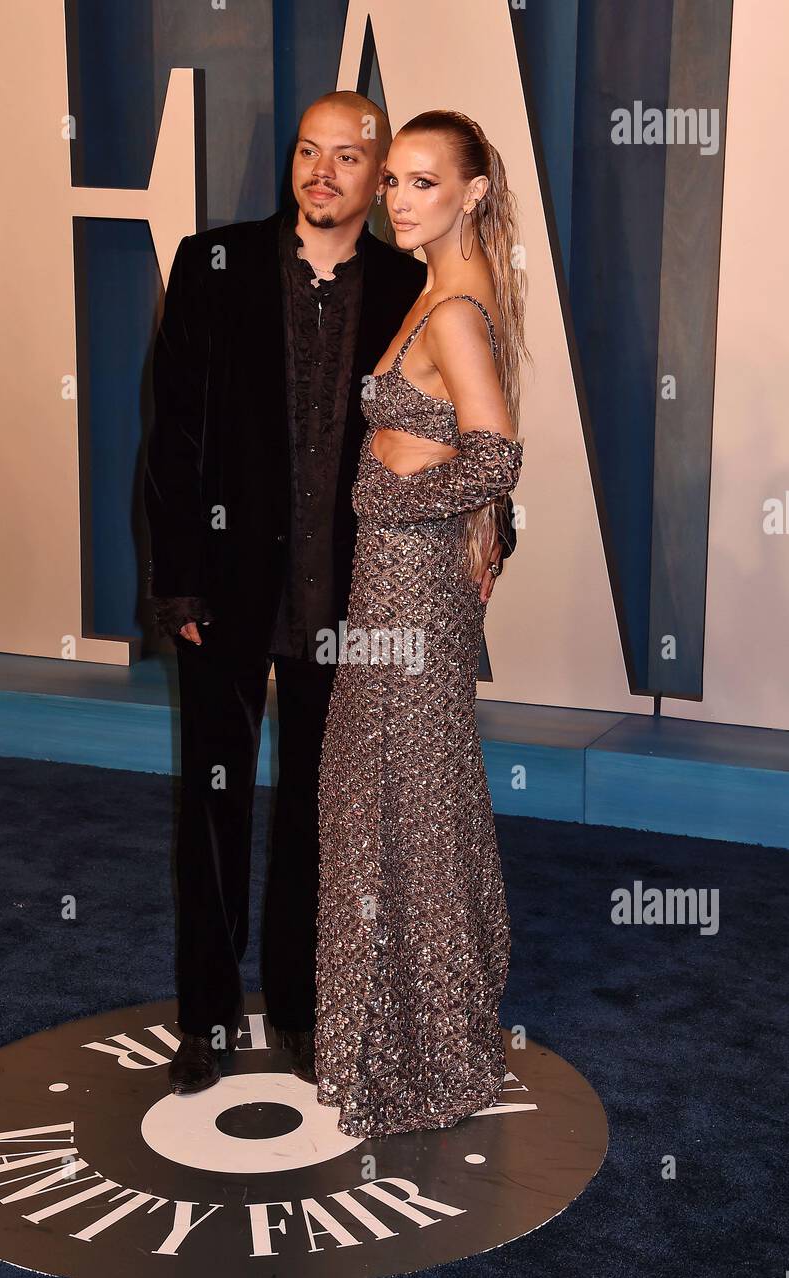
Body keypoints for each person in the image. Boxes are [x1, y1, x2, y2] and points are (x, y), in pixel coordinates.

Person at [144, 91, 513, 1095]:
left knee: (325, 813)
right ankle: (206, 1023)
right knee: (211, 811)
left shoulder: (411, 276)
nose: (323, 172)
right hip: (224, 592)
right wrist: (174, 575)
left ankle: (308, 1011)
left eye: (351, 158)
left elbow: (468, 413)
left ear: (376, 172)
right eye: (310, 152)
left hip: (352, 598)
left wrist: (489, 526)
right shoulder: (211, 263)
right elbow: (172, 436)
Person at [315, 109, 528, 1138]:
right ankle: (409, 1038)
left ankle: (424, 1052)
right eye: (391, 179)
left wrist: (388, 504)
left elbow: (494, 458)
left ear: (472, 193)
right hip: (390, 589)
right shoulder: (434, 291)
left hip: (410, 595)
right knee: (393, 802)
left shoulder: (452, 313)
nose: (397, 197)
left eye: (422, 182)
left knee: (398, 806)